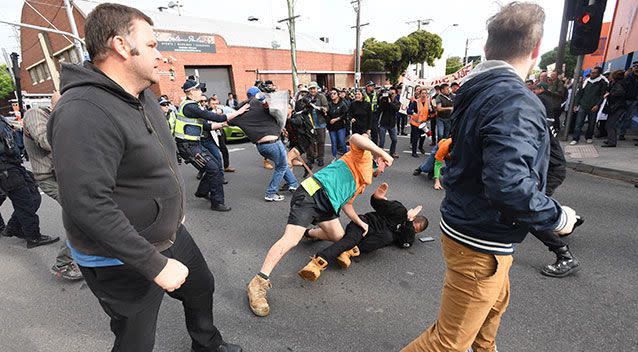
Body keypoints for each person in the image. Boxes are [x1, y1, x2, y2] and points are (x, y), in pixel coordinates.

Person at [47, 4, 242, 351]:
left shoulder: (142, 95)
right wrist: (155, 266)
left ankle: (207, 345)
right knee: (135, 339)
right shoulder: (83, 110)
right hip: (119, 257)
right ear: (122, 46)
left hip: (169, 234)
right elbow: (87, 204)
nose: (160, 55)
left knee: (200, 287)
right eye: (151, 45)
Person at [402, 3, 580, 351]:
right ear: (536, 50)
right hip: (481, 239)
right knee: (447, 344)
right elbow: (510, 186)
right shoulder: (515, 101)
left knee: (488, 321)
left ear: (486, 49)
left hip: (473, 226)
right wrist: (558, 218)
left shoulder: (477, 89)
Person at [246, 133, 393, 317]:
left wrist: (360, 223)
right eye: (385, 164)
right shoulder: (364, 156)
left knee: (338, 237)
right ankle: (258, 282)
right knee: (291, 239)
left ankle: (309, 233)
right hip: (312, 194)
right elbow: (355, 137)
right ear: (378, 159)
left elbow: (347, 205)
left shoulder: (363, 182)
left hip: (328, 206)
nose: (385, 168)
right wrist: (382, 152)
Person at [298, 182, 428, 281]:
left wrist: (410, 222)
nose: (412, 230)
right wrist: (378, 197)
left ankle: (344, 251)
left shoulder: (405, 233)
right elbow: (378, 204)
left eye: (415, 231)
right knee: (348, 240)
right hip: (363, 223)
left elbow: (406, 243)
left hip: (365, 243)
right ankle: (316, 263)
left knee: (386, 237)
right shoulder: (400, 211)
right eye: (414, 226)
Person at [21, 92, 82, 280]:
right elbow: (45, 141)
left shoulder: (63, 119)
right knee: (82, 216)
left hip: (65, 176)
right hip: (49, 178)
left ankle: (85, 252)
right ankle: (62, 264)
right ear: (57, 104)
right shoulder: (36, 114)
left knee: (85, 215)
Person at [175, 78, 247, 211]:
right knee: (213, 169)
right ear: (191, 92)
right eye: (199, 89)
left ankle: (202, 192)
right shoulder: (190, 106)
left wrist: (223, 124)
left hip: (194, 145)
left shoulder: (191, 106)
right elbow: (213, 117)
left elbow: (206, 125)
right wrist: (238, 112)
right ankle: (217, 203)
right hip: (188, 147)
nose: (202, 92)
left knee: (215, 166)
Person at [533, 82, 581, 277]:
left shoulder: (534, 124)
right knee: (530, 206)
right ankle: (570, 219)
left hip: (550, 171)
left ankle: (564, 256)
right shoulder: (539, 120)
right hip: (551, 169)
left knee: (527, 212)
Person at [0, 115, 59, 249]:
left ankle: (13, 227)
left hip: (15, 165)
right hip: (6, 169)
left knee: (34, 195)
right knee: (25, 202)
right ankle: (33, 237)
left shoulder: (3, 120)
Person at [230, 87, 299, 202]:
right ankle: (271, 193)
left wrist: (237, 111)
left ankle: (293, 184)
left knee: (281, 163)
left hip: (261, 146)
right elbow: (279, 108)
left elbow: (227, 121)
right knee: (281, 166)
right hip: (274, 142)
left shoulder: (242, 111)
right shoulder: (263, 104)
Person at [570, 66, 607, 145]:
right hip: (583, 105)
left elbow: (602, 95)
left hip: (593, 106)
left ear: (599, 74)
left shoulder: (602, 83)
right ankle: (575, 138)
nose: (591, 74)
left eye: (594, 73)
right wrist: (576, 104)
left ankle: (589, 137)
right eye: (591, 72)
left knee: (591, 123)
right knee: (578, 123)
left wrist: (597, 105)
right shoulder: (586, 81)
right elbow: (580, 94)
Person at [602, 70, 628, 147]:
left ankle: (612, 142)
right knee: (611, 124)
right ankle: (611, 139)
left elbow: (620, 93)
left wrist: (609, 94)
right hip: (616, 106)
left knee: (610, 124)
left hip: (617, 107)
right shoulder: (619, 83)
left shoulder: (619, 84)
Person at [306, 81, 329, 167]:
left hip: (320, 122)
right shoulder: (306, 97)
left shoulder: (321, 96)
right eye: (311, 89)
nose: (312, 90)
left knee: (321, 141)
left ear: (317, 89)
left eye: (314, 88)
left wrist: (323, 109)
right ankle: (311, 157)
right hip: (310, 123)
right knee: (311, 141)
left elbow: (326, 107)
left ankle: (320, 158)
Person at [326, 88, 349, 162]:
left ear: (338, 95)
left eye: (334, 93)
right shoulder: (329, 104)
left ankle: (346, 158)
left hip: (340, 126)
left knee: (342, 142)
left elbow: (345, 114)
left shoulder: (342, 103)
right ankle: (334, 158)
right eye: (331, 94)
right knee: (334, 143)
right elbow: (327, 115)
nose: (332, 95)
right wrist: (326, 115)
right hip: (331, 127)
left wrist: (336, 119)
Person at [378, 88, 401, 158]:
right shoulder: (384, 100)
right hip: (383, 123)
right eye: (390, 93)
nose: (392, 95)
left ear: (396, 94)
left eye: (393, 93)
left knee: (394, 139)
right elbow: (381, 107)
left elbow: (396, 109)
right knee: (382, 141)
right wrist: (382, 97)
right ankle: (380, 154)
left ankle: (392, 152)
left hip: (392, 124)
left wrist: (390, 102)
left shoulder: (397, 102)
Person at [407, 89, 430, 157]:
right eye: (422, 93)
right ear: (420, 94)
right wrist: (413, 113)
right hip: (415, 123)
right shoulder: (415, 102)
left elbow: (429, 111)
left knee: (423, 136)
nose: (424, 95)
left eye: (425, 93)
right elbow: (408, 110)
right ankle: (414, 152)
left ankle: (420, 147)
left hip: (423, 123)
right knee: (415, 138)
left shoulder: (428, 102)